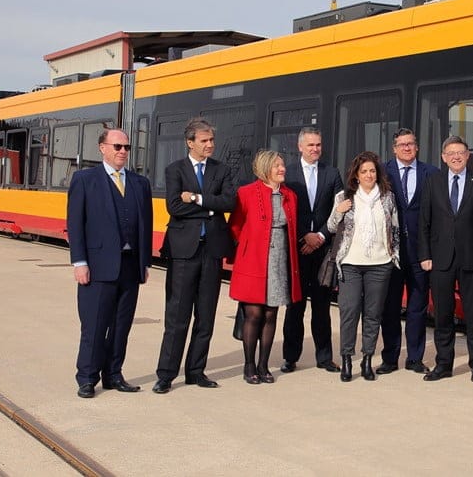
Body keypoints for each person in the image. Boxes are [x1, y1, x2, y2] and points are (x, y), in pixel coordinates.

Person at [67, 129, 153, 399]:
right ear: (102, 147)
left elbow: (145, 225)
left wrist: (145, 262)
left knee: (121, 324)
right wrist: (79, 262)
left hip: (130, 266)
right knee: (94, 324)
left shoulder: (140, 183)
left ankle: (114, 374)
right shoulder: (84, 180)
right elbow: (75, 224)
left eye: (126, 147)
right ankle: (87, 378)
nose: (123, 151)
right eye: (117, 146)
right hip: (97, 266)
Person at [153, 118, 236, 394]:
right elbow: (174, 206)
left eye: (211, 140)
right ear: (190, 143)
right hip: (183, 253)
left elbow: (229, 202)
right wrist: (210, 207)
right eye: (204, 141)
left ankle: (196, 371)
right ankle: (166, 374)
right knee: (177, 316)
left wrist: (197, 199)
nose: (209, 145)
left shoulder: (222, 170)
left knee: (206, 315)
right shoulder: (174, 169)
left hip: (211, 252)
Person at [418, 135, 473, 383]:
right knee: (442, 314)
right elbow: (424, 223)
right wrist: (425, 255)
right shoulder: (433, 182)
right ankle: (443, 364)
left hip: (472, 258)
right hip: (440, 259)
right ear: (443, 157)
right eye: (451, 152)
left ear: (467, 155)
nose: (456, 156)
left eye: (460, 152)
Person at [227, 150, 302, 384]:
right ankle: (249, 365)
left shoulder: (290, 195)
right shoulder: (246, 193)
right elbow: (235, 226)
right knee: (253, 314)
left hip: (280, 262)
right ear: (264, 169)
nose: (282, 169)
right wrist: (248, 248)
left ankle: (264, 365)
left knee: (271, 314)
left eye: (283, 165)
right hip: (254, 261)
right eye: (277, 166)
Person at [327, 152, 400, 382]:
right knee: (349, 313)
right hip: (350, 264)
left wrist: (393, 255)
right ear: (356, 176)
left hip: (380, 265)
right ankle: (347, 359)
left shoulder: (388, 197)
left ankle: (367, 358)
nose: (369, 175)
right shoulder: (344, 196)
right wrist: (338, 212)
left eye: (372, 171)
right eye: (364, 171)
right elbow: (330, 227)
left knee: (373, 315)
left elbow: (395, 229)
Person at [281, 127, 344, 373]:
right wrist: (301, 237)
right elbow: (283, 208)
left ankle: (324, 357)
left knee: (322, 308)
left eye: (318, 144)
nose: (315, 149)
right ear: (300, 147)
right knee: (294, 307)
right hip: (296, 251)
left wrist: (320, 235)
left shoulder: (332, 173)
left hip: (322, 251)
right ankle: (290, 357)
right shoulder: (287, 172)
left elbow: (340, 208)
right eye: (310, 145)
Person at [377, 128, 438, 375]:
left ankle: (415, 358)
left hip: (421, 253)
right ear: (394, 148)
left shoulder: (432, 173)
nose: (407, 148)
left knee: (417, 307)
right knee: (390, 308)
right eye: (402, 144)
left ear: (417, 147)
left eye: (411, 144)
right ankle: (389, 358)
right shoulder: (381, 172)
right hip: (390, 253)